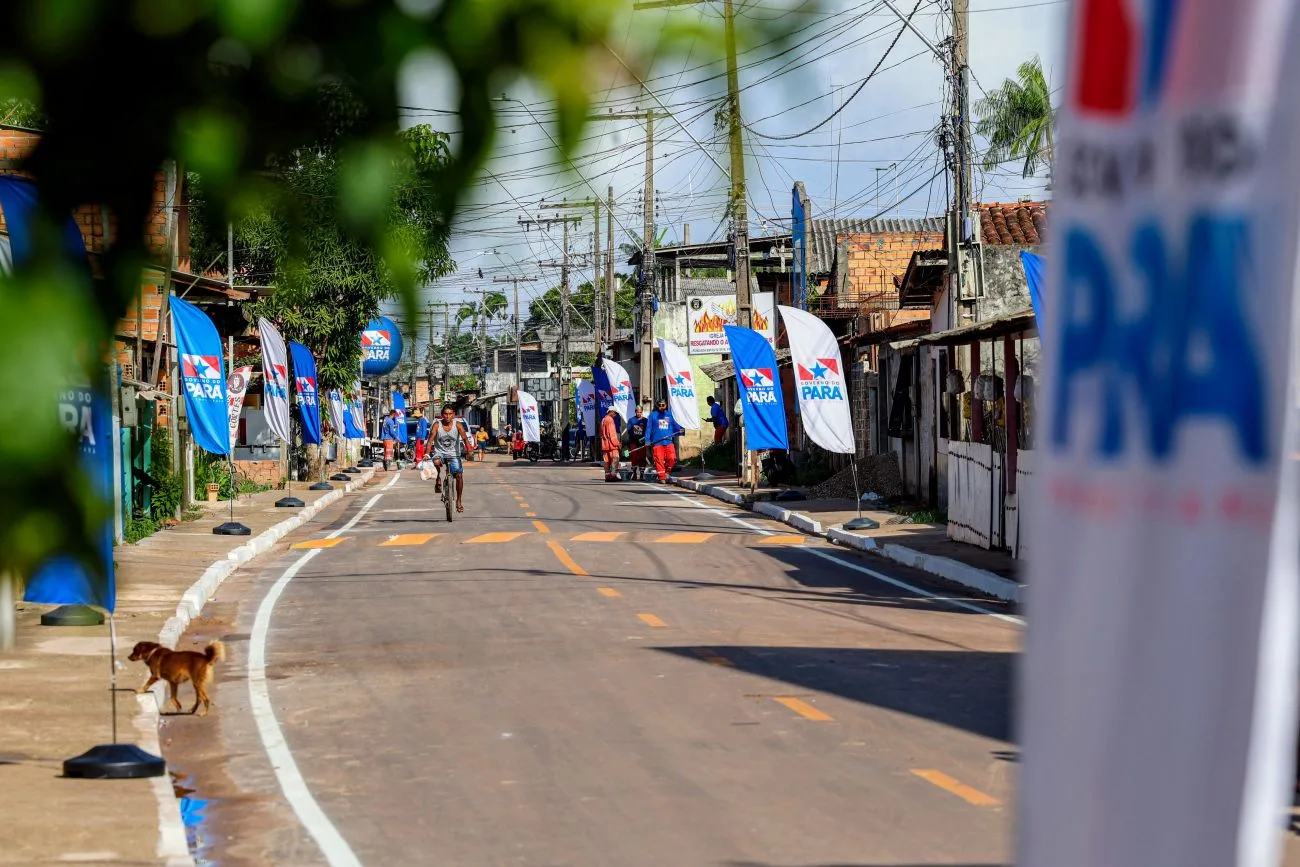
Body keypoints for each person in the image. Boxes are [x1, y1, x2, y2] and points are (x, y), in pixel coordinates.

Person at [431, 404, 475, 512]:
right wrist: (426, 454)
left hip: (454, 454)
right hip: (439, 453)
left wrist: (469, 450)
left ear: (453, 415)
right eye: (445, 414)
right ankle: (438, 479)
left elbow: (465, 438)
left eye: (450, 414)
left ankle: (459, 501)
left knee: (459, 475)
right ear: (442, 415)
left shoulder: (458, 425)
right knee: (436, 462)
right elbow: (429, 440)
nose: (447, 416)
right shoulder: (437, 425)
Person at [646, 398, 678, 483]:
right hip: (657, 442)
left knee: (672, 458)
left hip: (668, 441)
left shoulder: (670, 415)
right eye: (659, 405)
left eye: (663, 405)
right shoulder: (653, 415)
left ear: (666, 405)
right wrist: (647, 440)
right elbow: (649, 428)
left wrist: (680, 429)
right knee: (659, 460)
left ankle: (666, 472)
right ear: (657, 406)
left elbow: (675, 426)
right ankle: (661, 477)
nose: (661, 407)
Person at [626, 405, 649, 481]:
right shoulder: (631, 420)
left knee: (642, 458)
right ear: (635, 412)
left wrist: (645, 438)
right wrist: (635, 435)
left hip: (642, 443)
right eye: (637, 412)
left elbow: (648, 431)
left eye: (640, 412)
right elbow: (629, 430)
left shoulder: (645, 420)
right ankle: (634, 473)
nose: (639, 413)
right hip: (633, 442)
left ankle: (642, 475)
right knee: (634, 458)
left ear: (642, 412)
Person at [600, 406, 621, 482]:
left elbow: (602, 433)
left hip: (605, 444)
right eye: (615, 413)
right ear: (611, 412)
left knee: (607, 461)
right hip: (611, 445)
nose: (615, 415)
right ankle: (613, 476)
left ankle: (607, 476)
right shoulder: (610, 420)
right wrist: (617, 443)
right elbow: (612, 434)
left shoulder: (603, 419)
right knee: (615, 459)